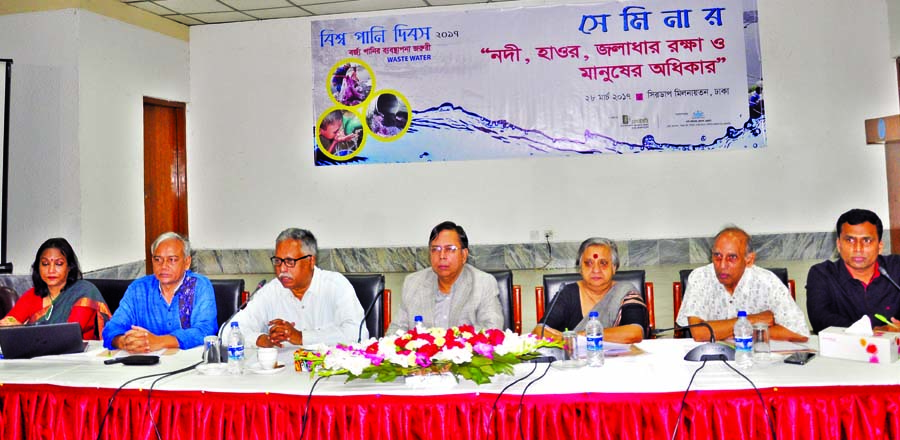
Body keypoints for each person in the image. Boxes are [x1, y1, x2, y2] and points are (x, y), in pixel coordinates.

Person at [227, 228, 365, 347]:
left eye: (289, 261)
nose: (282, 269)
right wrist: (262, 340)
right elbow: (227, 331)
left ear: (310, 261)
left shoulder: (335, 286)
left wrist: (301, 337)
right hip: (283, 373)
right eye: (278, 261)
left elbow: (357, 335)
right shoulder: (271, 291)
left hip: (327, 373)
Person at [676, 226, 809, 342]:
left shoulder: (767, 282)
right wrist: (751, 321)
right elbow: (700, 333)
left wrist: (728, 332)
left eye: (732, 257)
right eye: (717, 256)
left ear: (749, 260)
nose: (722, 265)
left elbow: (799, 332)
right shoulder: (700, 277)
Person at [102, 232, 217, 352]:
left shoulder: (199, 286)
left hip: (187, 363)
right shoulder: (138, 289)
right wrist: (123, 342)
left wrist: (159, 341)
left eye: (172, 260)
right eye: (158, 259)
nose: (163, 266)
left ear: (187, 262)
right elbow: (112, 328)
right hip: (145, 365)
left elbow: (206, 330)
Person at [387, 221, 503, 333]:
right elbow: (396, 331)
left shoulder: (483, 283)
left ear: (464, 255)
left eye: (450, 249)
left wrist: (452, 345)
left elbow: (492, 330)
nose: (442, 256)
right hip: (422, 353)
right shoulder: (413, 283)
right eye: (435, 249)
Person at [531, 238, 646, 343]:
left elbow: (635, 333)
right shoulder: (567, 294)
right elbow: (539, 331)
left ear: (614, 267)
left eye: (603, 263)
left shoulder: (625, 293)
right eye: (589, 263)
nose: (596, 270)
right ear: (580, 268)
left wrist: (576, 336)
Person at [807, 209, 900, 333]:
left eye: (866, 240)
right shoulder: (822, 274)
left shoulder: (896, 267)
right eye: (850, 240)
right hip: (842, 350)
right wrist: (873, 331)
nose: (858, 248)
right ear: (839, 245)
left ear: (880, 246)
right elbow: (821, 321)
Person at [1, 238, 110, 339]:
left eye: (58, 264)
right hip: (38, 356)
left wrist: (22, 330)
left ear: (69, 267)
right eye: (45, 264)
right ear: (38, 267)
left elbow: (67, 334)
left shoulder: (84, 292)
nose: (51, 270)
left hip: (77, 357)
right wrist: (9, 324)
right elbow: (9, 322)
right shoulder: (33, 295)